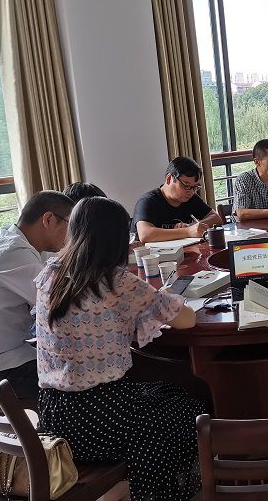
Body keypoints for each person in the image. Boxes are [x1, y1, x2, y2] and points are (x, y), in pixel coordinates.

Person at [35, 196, 202, 501]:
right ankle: (150, 491)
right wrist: (160, 297)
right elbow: (186, 320)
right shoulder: (116, 281)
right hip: (100, 418)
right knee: (188, 410)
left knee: (167, 392)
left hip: (54, 414)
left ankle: (138, 485)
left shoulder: (50, 272)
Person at [0, 191, 74, 399]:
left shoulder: (12, 240)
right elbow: (64, 302)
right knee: (82, 376)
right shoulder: (11, 253)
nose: (72, 235)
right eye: (71, 224)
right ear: (48, 219)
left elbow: (61, 269)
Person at [132, 156, 222, 243]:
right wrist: (187, 231)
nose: (191, 192)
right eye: (186, 185)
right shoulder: (148, 201)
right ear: (169, 179)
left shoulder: (190, 198)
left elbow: (216, 218)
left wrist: (193, 226)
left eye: (195, 187)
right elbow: (145, 234)